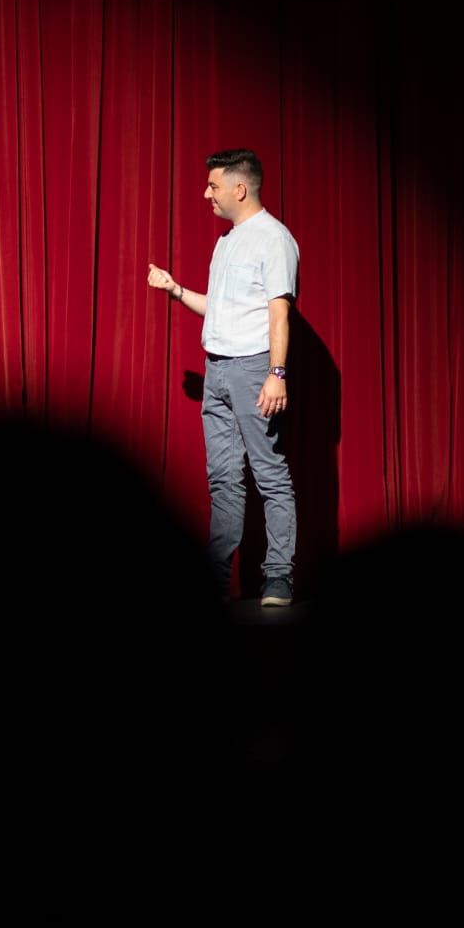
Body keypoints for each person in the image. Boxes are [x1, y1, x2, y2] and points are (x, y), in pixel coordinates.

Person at [146, 148, 300, 607]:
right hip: (217, 370)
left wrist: (276, 374)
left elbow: (279, 314)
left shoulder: (274, 239)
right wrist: (175, 290)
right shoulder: (226, 242)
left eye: (213, 186)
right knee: (223, 479)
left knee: (270, 475)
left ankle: (279, 578)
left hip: (253, 369)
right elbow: (218, 309)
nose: (206, 194)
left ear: (240, 188)